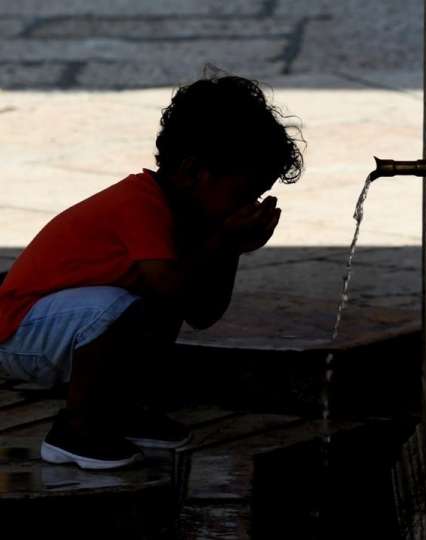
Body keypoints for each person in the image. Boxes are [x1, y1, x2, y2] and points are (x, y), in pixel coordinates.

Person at [0, 68, 303, 469]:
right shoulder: (139, 204)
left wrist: (230, 250)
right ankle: (74, 431)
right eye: (243, 192)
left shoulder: (191, 218)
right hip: (18, 333)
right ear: (194, 171)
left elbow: (200, 312)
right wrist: (221, 243)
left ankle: (120, 412)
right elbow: (170, 289)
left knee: (152, 302)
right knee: (124, 303)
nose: (247, 205)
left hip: (57, 331)